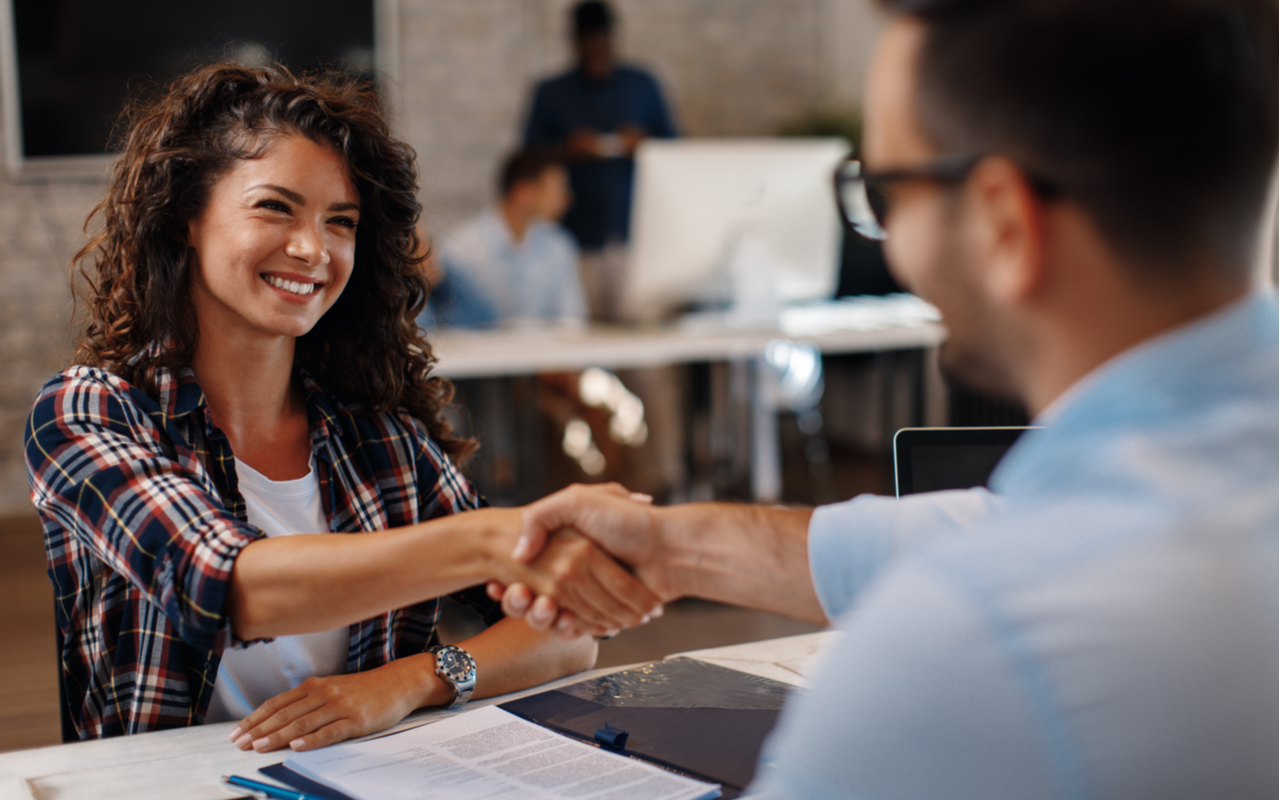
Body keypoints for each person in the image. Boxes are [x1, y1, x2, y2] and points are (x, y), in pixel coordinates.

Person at [495, 0, 1280, 796]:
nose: (889, 239)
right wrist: (666, 547)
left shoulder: (965, 648)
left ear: (1004, 223)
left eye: (886, 191)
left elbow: (982, 573)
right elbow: (963, 529)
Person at [23, 62, 659, 751]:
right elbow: (231, 589)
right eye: (275, 207)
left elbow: (566, 637)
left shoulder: (379, 436)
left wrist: (414, 680)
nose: (313, 249)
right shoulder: (87, 412)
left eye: (341, 222)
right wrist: (495, 541)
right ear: (186, 219)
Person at [522, 0, 677, 320]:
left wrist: (645, 145)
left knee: (645, 352)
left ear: (612, 39)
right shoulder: (552, 93)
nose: (594, 52)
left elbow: (677, 150)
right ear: (575, 42)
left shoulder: (642, 85)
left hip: (635, 236)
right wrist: (566, 150)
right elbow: (526, 159)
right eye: (587, 45)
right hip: (575, 240)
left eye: (600, 44)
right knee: (582, 342)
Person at [428, 148, 586, 328]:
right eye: (557, 190)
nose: (566, 199)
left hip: (545, 353)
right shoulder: (460, 248)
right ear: (523, 191)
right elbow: (449, 323)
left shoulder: (560, 246)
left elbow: (571, 320)